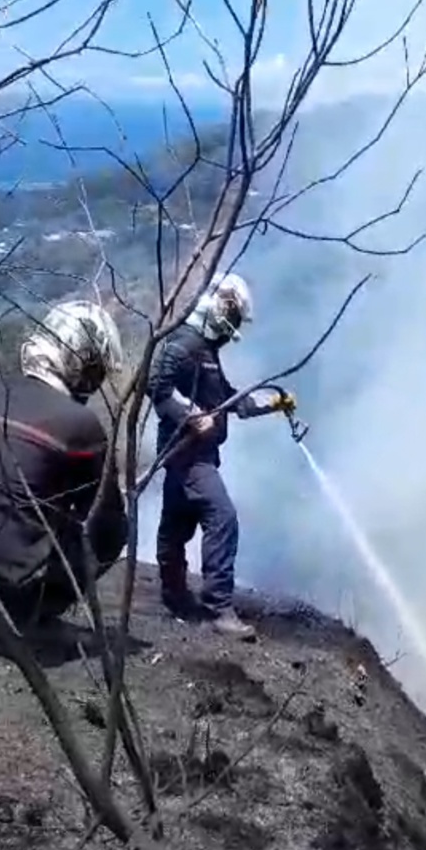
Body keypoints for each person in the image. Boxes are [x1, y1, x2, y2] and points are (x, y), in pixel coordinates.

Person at [0, 299, 127, 634]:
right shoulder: (79, 422)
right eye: (97, 369)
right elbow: (105, 518)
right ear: (82, 362)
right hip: (17, 580)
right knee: (115, 528)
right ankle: (32, 615)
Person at [147, 271, 296, 640]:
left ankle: (175, 597)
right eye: (231, 319)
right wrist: (189, 415)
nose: (232, 331)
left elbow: (229, 399)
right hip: (187, 455)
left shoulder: (205, 349)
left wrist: (273, 404)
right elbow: (156, 387)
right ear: (218, 307)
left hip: (195, 456)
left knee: (175, 527)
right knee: (222, 517)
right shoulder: (183, 343)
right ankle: (219, 610)